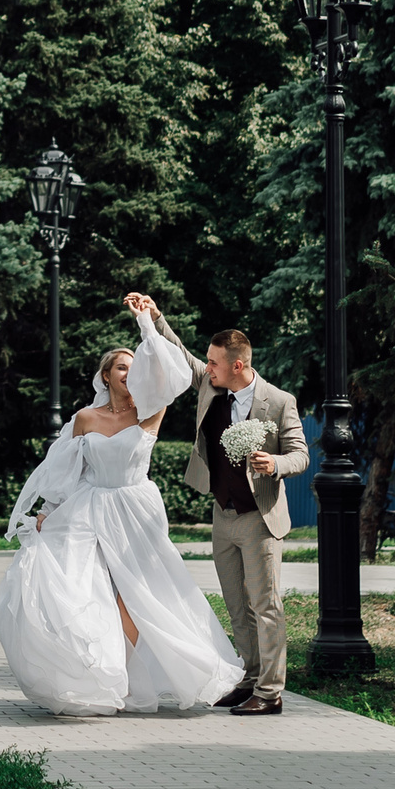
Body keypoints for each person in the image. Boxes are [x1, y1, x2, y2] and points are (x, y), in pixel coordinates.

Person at [0, 297, 241, 715]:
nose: (130, 371)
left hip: (135, 510)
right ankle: (93, 676)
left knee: (138, 595)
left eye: (135, 365)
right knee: (83, 588)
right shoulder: (85, 418)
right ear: (106, 375)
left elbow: (174, 372)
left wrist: (146, 323)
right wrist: (48, 510)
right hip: (89, 509)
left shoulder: (151, 410)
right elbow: (65, 471)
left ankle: (132, 679)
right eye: (121, 366)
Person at [136, 293, 307, 714]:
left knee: (265, 605)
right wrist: (156, 315)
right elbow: (180, 354)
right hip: (222, 514)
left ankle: (270, 693)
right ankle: (249, 679)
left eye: (214, 363)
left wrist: (275, 463)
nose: (207, 368)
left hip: (260, 517)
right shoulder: (211, 387)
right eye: (208, 362)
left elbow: (301, 454)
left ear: (239, 366)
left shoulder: (280, 401)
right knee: (236, 606)